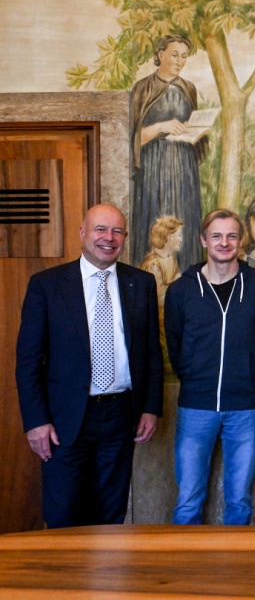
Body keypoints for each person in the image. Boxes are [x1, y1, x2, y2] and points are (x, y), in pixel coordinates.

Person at [15, 204, 163, 528]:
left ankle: (106, 564)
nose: (109, 238)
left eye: (117, 231)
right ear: (83, 233)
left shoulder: (142, 283)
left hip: (121, 415)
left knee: (110, 513)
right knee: (63, 513)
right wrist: (36, 421)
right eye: (100, 229)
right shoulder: (47, 284)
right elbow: (28, 361)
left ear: (124, 237)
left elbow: (152, 352)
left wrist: (150, 408)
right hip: (65, 419)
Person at [164, 209, 255, 525]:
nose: (224, 242)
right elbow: (174, 343)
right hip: (195, 408)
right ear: (204, 240)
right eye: (216, 236)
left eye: (231, 236)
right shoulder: (181, 290)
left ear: (241, 241)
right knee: (188, 502)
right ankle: (187, 557)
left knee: (239, 502)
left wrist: (250, 376)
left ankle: (234, 558)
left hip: (244, 408)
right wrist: (193, 377)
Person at [129, 34, 208, 269]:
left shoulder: (188, 88)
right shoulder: (142, 88)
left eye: (184, 56)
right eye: (174, 55)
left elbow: (193, 128)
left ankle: (187, 273)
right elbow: (131, 137)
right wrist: (160, 127)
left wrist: (197, 130)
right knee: (156, 216)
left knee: (185, 215)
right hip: (154, 166)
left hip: (184, 165)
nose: (179, 61)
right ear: (161, 54)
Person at [139, 215, 184, 307]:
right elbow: (159, 300)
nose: (181, 239)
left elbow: (179, 281)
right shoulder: (153, 264)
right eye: (179, 235)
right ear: (168, 237)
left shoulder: (171, 257)